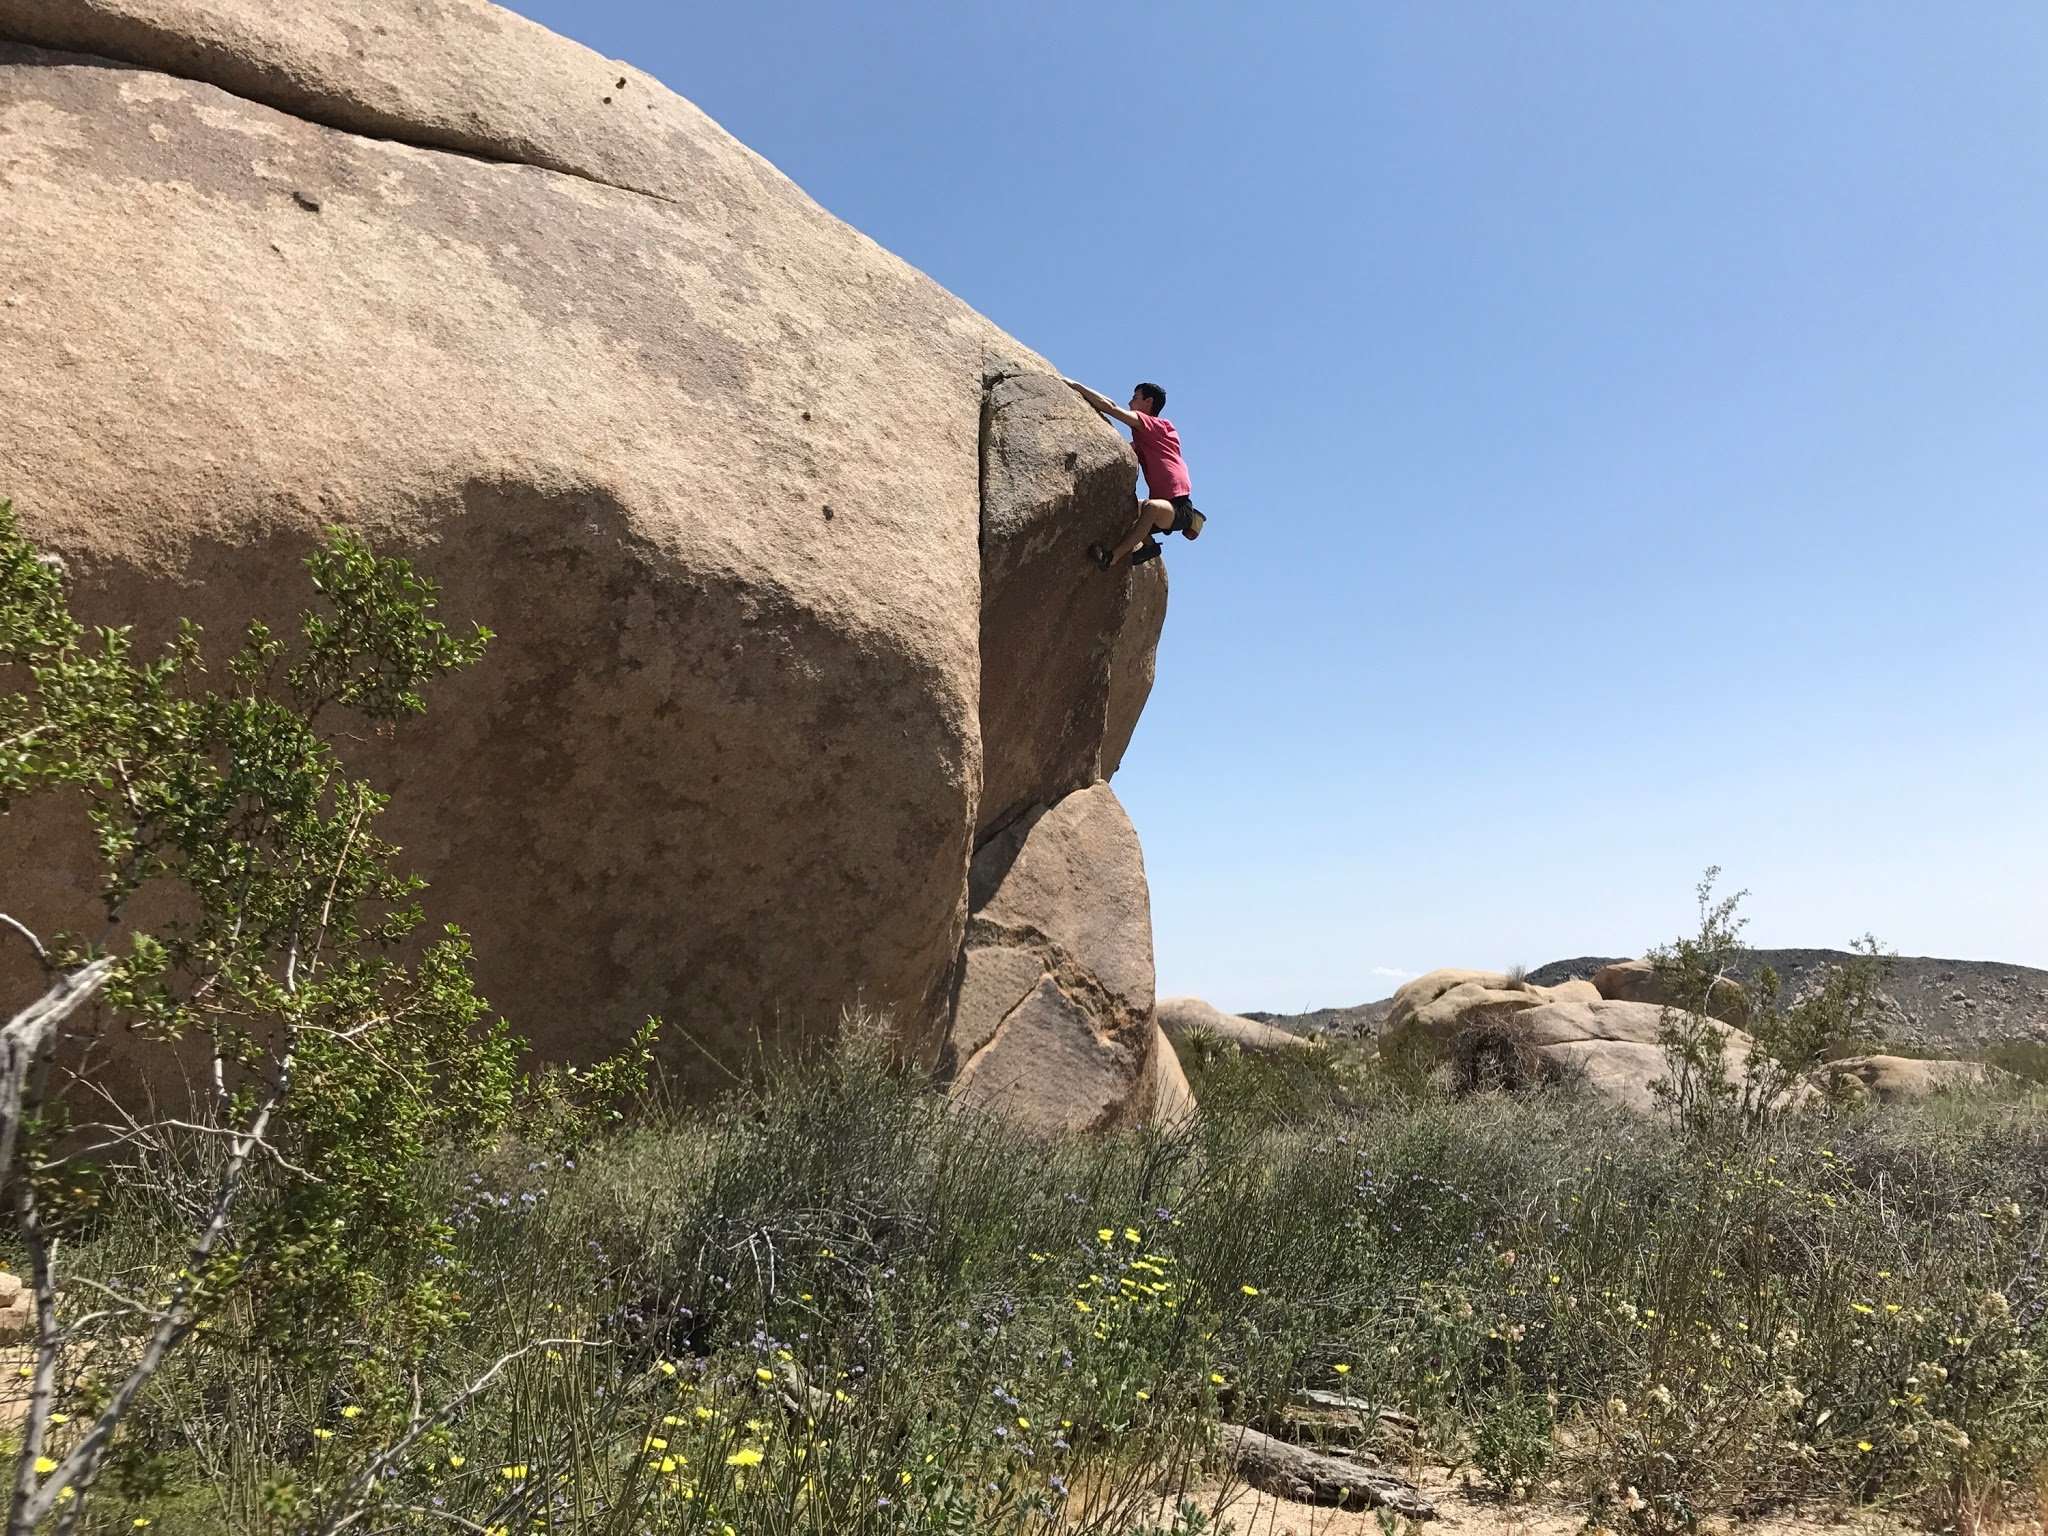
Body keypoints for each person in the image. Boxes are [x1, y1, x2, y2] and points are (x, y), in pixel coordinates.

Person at [1063, 379, 1205, 569]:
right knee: (1127, 508)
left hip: (1179, 507)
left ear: (1149, 402)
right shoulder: (1144, 440)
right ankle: (1150, 547)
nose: (1130, 403)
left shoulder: (1157, 426)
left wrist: (1074, 386)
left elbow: (1111, 407)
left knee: (1151, 506)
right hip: (1165, 506)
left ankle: (1111, 558)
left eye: (1135, 397)